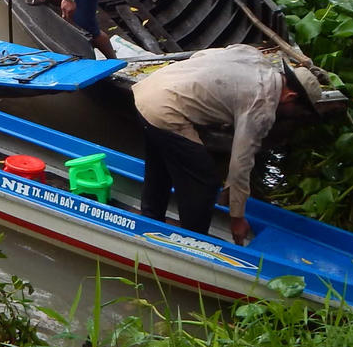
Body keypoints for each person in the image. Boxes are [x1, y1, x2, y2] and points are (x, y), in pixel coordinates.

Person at [132, 45, 322, 243]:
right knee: (205, 180)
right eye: (298, 111)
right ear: (290, 97)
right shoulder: (263, 107)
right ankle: (193, 241)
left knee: (162, 163)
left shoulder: (253, 55)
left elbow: (201, 54)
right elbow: (240, 163)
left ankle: (150, 217)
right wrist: (237, 218)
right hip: (165, 108)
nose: (295, 116)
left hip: (150, 88)